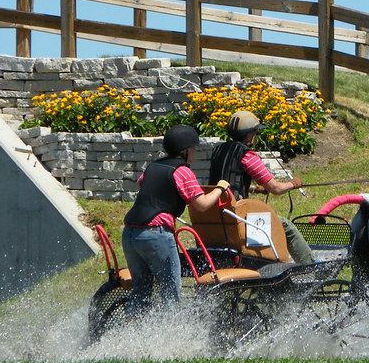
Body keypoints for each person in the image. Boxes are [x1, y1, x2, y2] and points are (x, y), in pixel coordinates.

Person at [122, 124, 231, 319]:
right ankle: (169, 339)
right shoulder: (182, 171)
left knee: (141, 290)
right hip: (156, 234)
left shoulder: (153, 166)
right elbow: (202, 204)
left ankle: (128, 330)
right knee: (170, 293)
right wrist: (220, 188)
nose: (195, 152)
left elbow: (142, 183)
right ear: (185, 150)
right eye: (194, 148)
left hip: (130, 233)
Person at [208, 110, 315, 264]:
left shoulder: (218, 151)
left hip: (216, 215)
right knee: (285, 226)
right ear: (249, 136)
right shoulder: (247, 156)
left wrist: (253, 189)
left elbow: (225, 182)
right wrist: (293, 184)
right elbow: (276, 188)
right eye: (254, 133)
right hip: (237, 216)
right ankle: (311, 265)